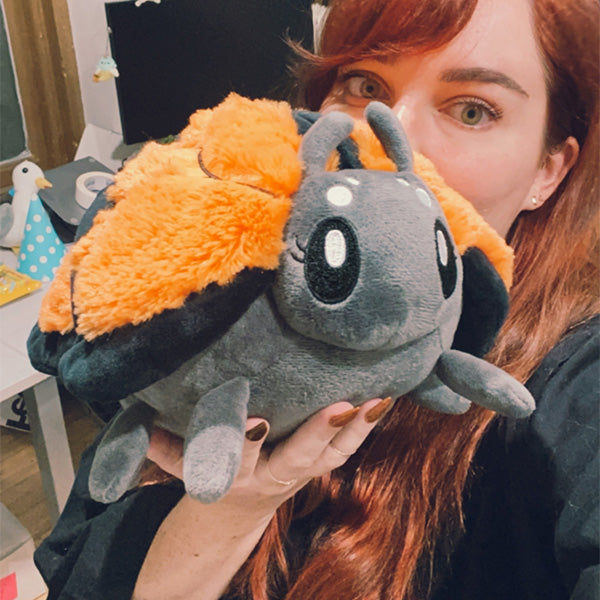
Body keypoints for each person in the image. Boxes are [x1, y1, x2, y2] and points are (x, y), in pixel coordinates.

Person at [35, 0, 599, 598]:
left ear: (549, 170)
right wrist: (230, 509)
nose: (385, 133)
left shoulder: (572, 385)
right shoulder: (209, 295)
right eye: (364, 85)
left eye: (471, 110)